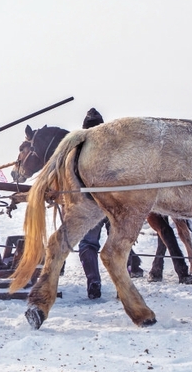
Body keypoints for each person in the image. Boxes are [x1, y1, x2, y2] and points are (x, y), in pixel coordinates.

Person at [77, 108, 143, 300]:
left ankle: (93, 282)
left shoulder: (78, 148)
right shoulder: (118, 147)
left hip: (90, 203)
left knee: (88, 243)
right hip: (116, 201)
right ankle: (123, 286)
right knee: (121, 242)